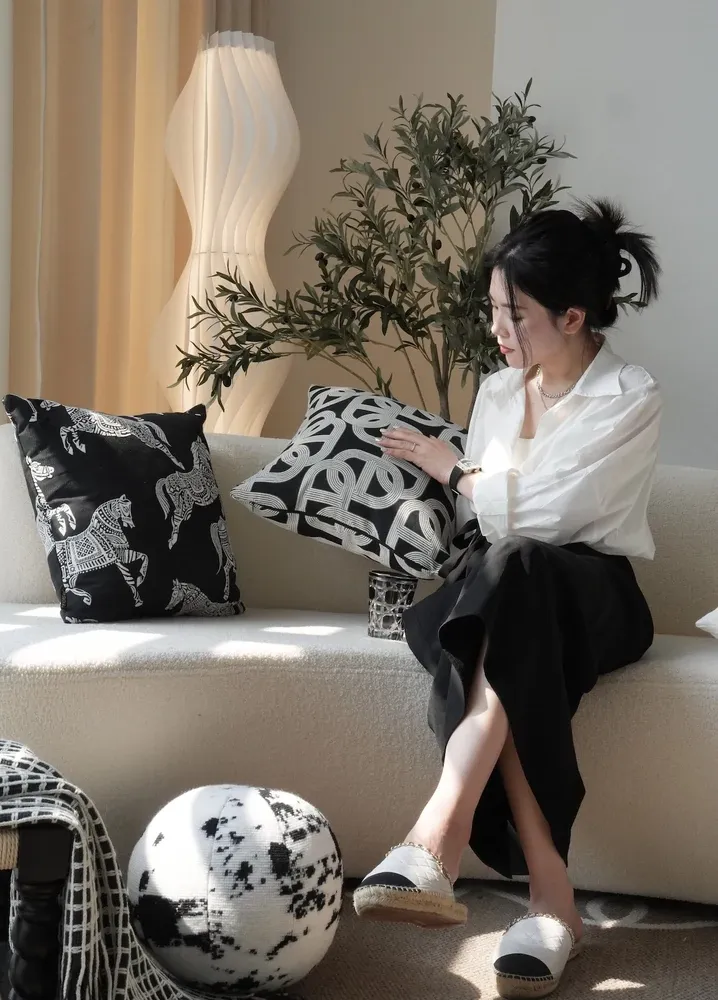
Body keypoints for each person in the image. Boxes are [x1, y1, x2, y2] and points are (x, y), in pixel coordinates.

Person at [353, 198, 662, 999]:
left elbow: (549, 516)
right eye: (492, 309)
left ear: (572, 316)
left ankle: (440, 831)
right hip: (507, 593)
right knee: (515, 610)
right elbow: (488, 521)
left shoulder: (629, 395)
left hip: (596, 594)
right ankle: (552, 902)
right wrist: (469, 486)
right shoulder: (495, 391)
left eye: (514, 315)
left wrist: (455, 468)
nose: (497, 330)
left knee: (520, 570)